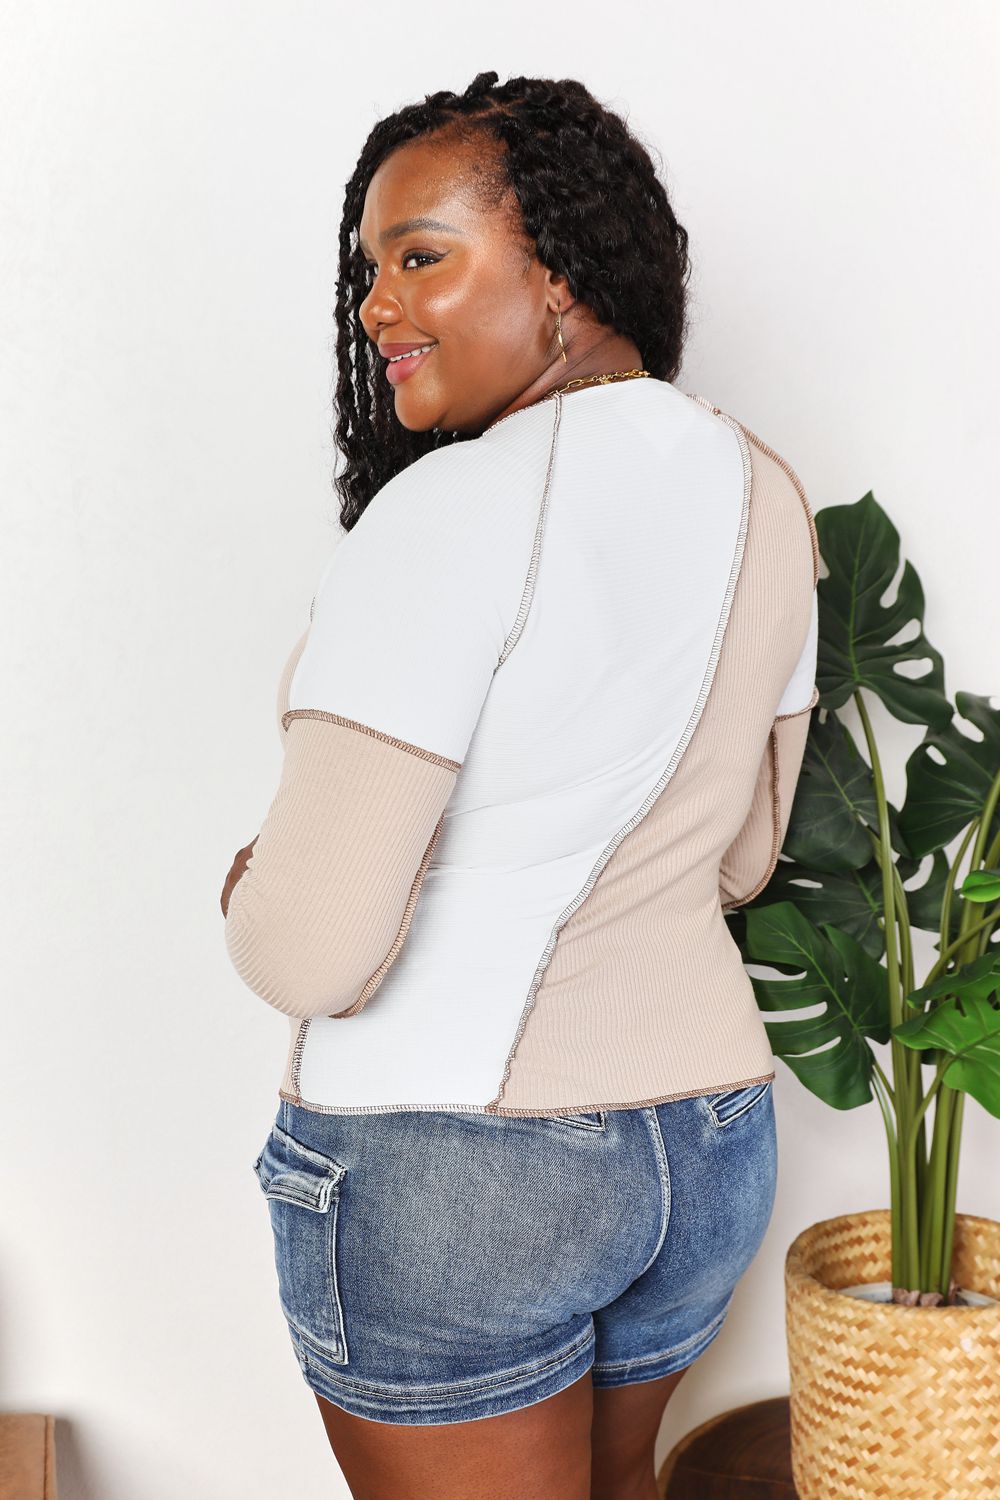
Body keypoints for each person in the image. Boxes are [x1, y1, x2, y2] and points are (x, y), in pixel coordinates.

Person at [220, 70, 819, 1500]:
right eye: (369, 271)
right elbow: (738, 858)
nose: (378, 306)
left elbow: (312, 946)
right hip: (705, 1139)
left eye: (422, 254)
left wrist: (253, 885)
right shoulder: (764, 487)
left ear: (558, 271)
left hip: (458, 1170)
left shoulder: (449, 511)